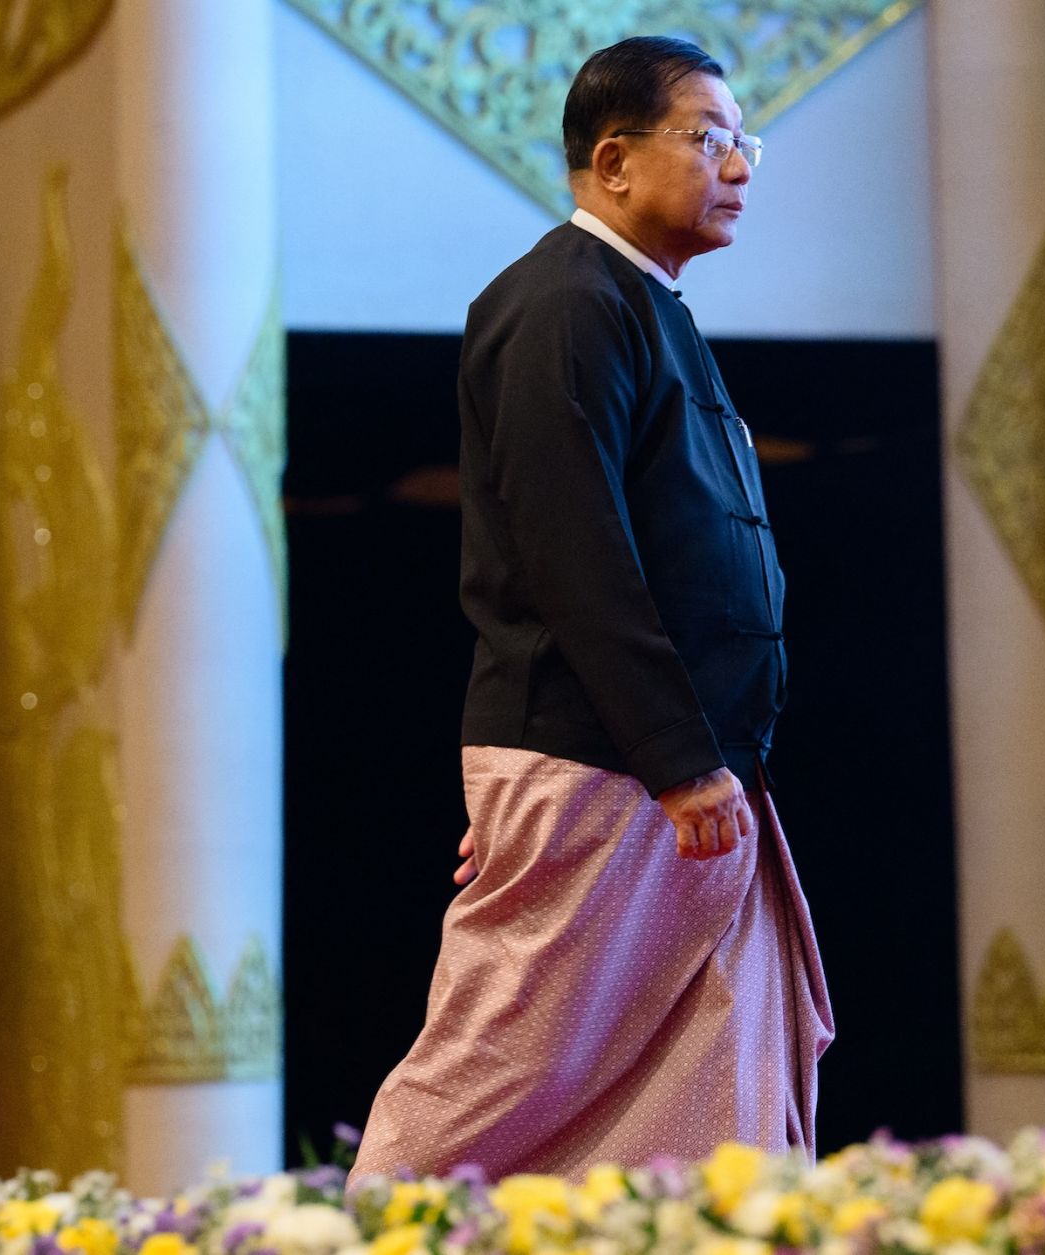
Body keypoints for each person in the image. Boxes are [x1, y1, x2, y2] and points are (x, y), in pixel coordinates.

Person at [347, 35, 835, 1181]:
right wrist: (672, 759)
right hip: (625, 768)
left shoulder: (642, 301)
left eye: (744, 143)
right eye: (712, 140)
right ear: (613, 162)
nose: (743, 167)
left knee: (709, 1080)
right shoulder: (563, 301)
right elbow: (574, 550)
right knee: (501, 1068)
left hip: (672, 772)